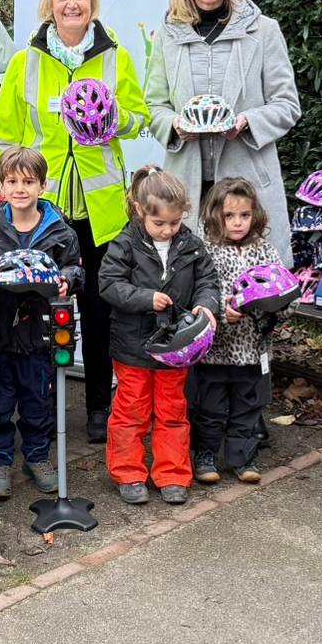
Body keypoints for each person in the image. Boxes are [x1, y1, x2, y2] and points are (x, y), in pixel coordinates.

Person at [0, 0, 151, 444]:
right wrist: (14, 187)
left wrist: (111, 115)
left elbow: (139, 118)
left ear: (92, 3)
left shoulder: (115, 56)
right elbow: (2, 135)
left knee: (100, 312)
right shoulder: (26, 62)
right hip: (42, 213)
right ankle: (46, 407)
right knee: (42, 311)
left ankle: (99, 406)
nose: (72, 5)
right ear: (50, 6)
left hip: (98, 213)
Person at [145, 0, 302, 265]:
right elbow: (154, 104)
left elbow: (287, 104)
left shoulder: (263, 31)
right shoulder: (169, 35)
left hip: (245, 183)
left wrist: (246, 123)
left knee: (251, 286)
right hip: (189, 185)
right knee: (193, 283)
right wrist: (174, 126)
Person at [97, 165, 220, 506]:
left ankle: (172, 474)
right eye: (159, 223)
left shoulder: (191, 245)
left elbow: (208, 282)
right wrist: (144, 298)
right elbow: (108, 284)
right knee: (131, 410)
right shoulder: (124, 243)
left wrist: (207, 306)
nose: (168, 230)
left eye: (175, 223)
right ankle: (129, 472)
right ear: (139, 210)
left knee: (172, 410)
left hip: (176, 347)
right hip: (132, 345)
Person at [0, 146, 83, 500]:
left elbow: (75, 268)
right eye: (12, 181)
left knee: (39, 404)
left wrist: (67, 278)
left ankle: (37, 457)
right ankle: (0, 461)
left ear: (42, 185)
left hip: (40, 335)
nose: (20, 188)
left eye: (28, 181)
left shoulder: (60, 231)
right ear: (1, 186)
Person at [192, 177, 281, 484]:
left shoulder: (264, 250)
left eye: (244, 215)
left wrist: (275, 306)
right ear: (215, 215)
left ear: (255, 214)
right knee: (210, 406)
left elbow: (282, 288)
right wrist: (220, 312)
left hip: (253, 349)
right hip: (215, 350)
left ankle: (242, 457)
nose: (238, 223)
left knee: (247, 405)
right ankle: (205, 453)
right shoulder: (206, 251)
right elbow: (197, 294)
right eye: (229, 216)